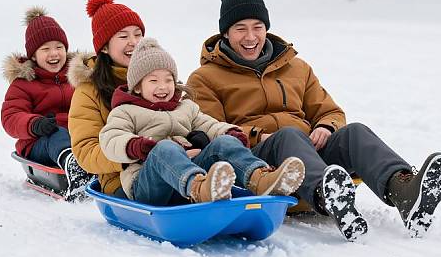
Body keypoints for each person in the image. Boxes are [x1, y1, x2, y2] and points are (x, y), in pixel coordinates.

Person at [187, 0, 441, 241]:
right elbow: (211, 132)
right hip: (258, 163)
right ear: (225, 33)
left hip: (306, 150)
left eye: (258, 27)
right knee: (288, 135)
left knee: (354, 133)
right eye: (240, 29)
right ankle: (329, 196)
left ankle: (404, 192)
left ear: (266, 28)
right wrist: (260, 136)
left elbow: (330, 111)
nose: (250, 37)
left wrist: (326, 127)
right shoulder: (205, 78)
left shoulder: (296, 68)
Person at [99, 37, 305, 205]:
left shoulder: (185, 107)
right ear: (137, 86)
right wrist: (135, 145)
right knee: (164, 148)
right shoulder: (125, 111)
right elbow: (110, 139)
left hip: (187, 179)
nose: (163, 87)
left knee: (223, 142)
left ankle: (259, 178)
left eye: (168, 80)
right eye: (153, 81)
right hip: (148, 185)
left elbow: (210, 124)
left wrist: (230, 133)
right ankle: (199, 189)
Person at [1, 7, 91, 201]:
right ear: (33, 55)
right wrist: (34, 124)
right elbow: (11, 116)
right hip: (41, 141)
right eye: (45, 49)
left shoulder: (78, 77)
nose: (54, 54)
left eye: (59, 47)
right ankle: (75, 168)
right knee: (56, 133)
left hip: (79, 137)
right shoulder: (24, 84)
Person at [68, 0, 146, 197]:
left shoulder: (156, 77)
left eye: (138, 34)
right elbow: (85, 150)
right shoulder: (88, 92)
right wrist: (130, 153)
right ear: (104, 46)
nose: (134, 42)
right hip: (122, 179)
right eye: (123, 36)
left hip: (176, 164)